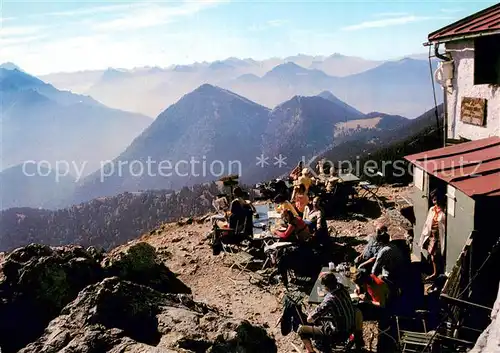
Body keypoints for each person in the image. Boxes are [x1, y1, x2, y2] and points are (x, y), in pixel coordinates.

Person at [298, 272, 357, 353]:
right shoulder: (343, 288)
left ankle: (311, 351)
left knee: (302, 330)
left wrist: (312, 313)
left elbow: (309, 319)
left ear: (326, 287)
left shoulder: (329, 300)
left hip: (338, 333)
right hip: (351, 326)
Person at [419, 189, 446, 281]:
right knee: (432, 254)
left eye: (436, 198)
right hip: (431, 235)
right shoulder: (432, 209)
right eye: (433, 198)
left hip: (439, 235)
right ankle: (435, 272)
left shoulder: (444, 211)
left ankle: (437, 272)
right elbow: (428, 222)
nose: (435, 200)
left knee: (436, 255)